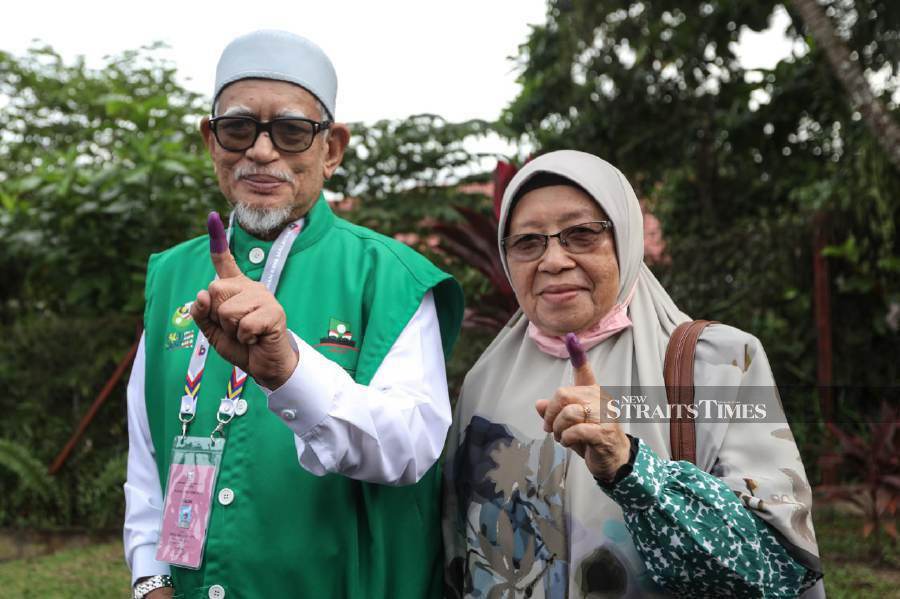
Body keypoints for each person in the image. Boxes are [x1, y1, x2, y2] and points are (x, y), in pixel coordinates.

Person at [123, 30, 463, 599]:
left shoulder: (390, 276)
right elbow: (147, 455)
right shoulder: (172, 277)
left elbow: (410, 448)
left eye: (291, 131)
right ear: (212, 141)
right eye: (238, 128)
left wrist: (290, 370)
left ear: (331, 150)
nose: (261, 151)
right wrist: (149, 578)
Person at [442, 150, 824, 598]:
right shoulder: (485, 382)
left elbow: (773, 567)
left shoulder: (719, 363)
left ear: (624, 238)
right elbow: (457, 558)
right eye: (528, 242)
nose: (553, 260)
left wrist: (629, 467)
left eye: (581, 234)